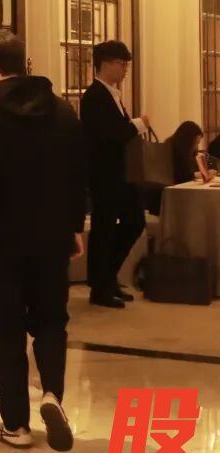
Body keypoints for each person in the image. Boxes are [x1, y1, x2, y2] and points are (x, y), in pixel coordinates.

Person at [0, 30, 85, 453]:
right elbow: (76, 175)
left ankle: (17, 425)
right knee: (51, 321)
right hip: (52, 238)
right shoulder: (63, 111)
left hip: (2, 241)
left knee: (7, 331)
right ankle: (52, 394)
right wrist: (74, 227)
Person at [80, 40, 147, 308]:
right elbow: (109, 136)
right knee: (104, 228)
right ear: (106, 63)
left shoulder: (113, 94)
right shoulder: (94, 96)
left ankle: (107, 276)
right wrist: (137, 125)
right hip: (105, 175)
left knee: (134, 222)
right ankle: (100, 286)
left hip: (122, 174)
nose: (125, 69)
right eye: (122, 63)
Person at [145, 121, 204, 215]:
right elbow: (179, 177)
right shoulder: (170, 150)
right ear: (188, 140)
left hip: (175, 193)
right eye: (196, 143)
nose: (196, 147)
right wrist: (196, 174)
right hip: (164, 196)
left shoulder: (186, 151)